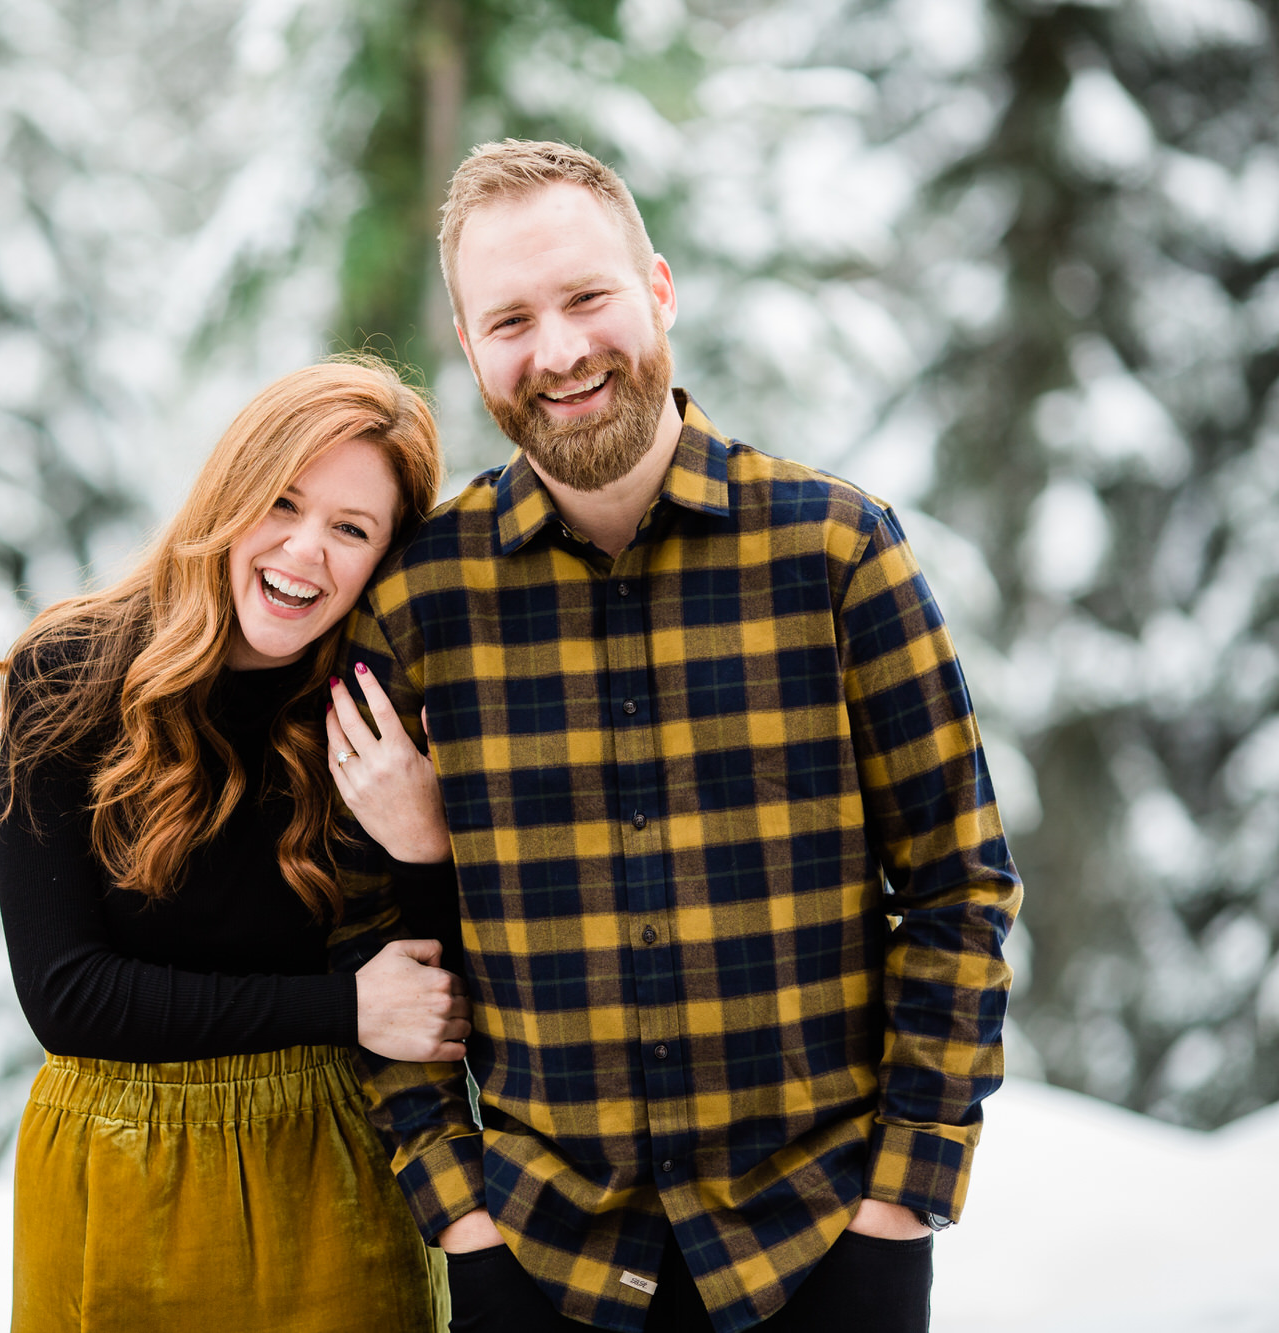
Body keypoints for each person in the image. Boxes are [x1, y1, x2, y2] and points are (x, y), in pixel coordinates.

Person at [324, 140, 1022, 1333]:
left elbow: (957, 887)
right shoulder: (416, 602)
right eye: (508, 320)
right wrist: (459, 1214)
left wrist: (902, 1198)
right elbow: (366, 936)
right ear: (465, 341)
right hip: (540, 1263)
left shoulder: (837, 553)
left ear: (656, 288)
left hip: (822, 1246)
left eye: (586, 297)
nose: (557, 352)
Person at [0, 358, 466, 1332]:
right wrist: (340, 1004)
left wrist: (422, 842)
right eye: (281, 501)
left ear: (384, 560)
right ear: (228, 491)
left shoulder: (385, 714)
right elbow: (66, 995)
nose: (303, 550)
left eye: (350, 529)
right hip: (116, 1164)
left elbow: (440, 1000)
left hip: (332, 1169)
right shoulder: (70, 670)